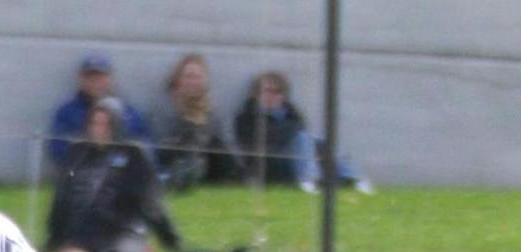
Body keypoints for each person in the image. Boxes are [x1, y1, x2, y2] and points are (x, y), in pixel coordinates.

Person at [44, 98, 181, 252]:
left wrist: (171, 239)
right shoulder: (78, 154)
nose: (100, 129)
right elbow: (62, 200)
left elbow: (151, 203)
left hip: (123, 235)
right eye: (95, 123)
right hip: (84, 236)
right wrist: (54, 239)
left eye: (106, 123)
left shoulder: (134, 155)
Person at [234, 72, 363, 193]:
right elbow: (260, 141)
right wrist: (291, 134)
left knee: (319, 141)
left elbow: (296, 133)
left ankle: (352, 178)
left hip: (295, 159)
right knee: (302, 137)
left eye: (277, 92)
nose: (272, 96)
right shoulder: (247, 116)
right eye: (267, 91)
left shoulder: (292, 114)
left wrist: (291, 134)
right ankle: (309, 180)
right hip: (270, 162)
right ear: (256, 94)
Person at [47, 53, 151, 170]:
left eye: (100, 77)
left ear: (110, 79)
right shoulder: (67, 113)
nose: (95, 82)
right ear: (80, 79)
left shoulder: (129, 113)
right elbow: (58, 148)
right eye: (90, 77)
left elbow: (145, 146)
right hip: (82, 172)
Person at [152, 54, 239, 192]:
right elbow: (160, 144)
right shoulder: (165, 108)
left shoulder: (214, 111)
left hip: (208, 161)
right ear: (178, 79)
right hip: (176, 160)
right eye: (188, 76)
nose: (192, 82)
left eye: (197, 77)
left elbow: (226, 142)